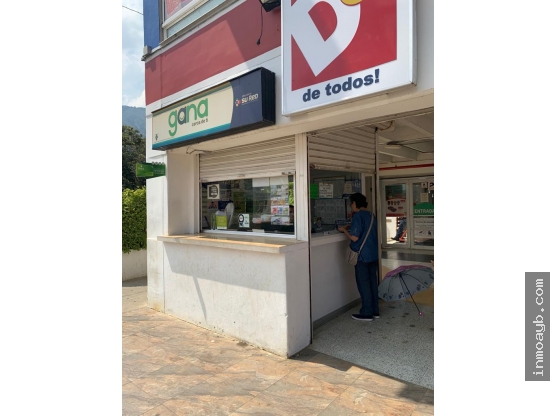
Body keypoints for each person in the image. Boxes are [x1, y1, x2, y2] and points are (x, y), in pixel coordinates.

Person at [337, 192, 380, 321]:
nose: (351, 206)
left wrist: (344, 230)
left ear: (355, 203)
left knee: (363, 284)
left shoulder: (358, 216)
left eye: (351, 203)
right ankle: (375, 311)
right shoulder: (371, 215)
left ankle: (366, 313)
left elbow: (354, 238)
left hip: (362, 256)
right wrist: (350, 226)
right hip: (373, 254)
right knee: (372, 282)